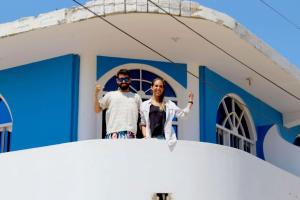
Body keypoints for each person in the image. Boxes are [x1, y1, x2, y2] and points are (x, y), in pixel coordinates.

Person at [140, 77, 194, 146]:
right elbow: (143, 123)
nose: (158, 88)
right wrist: (145, 137)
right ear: (152, 87)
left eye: (161, 86)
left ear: (163, 89)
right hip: (150, 141)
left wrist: (190, 102)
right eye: (156, 86)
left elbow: (183, 114)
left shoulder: (169, 104)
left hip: (166, 142)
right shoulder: (144, 105)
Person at [94, 69, 142, 139]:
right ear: (117, 80)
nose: (123, 81)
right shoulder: (110, 95)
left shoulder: (136, 97)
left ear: (130, 80)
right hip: (112, 134)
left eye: (126, 79)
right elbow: (97, 109)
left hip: (131, 135)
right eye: (121, 79)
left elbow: (143, 116)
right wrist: (96, 94)